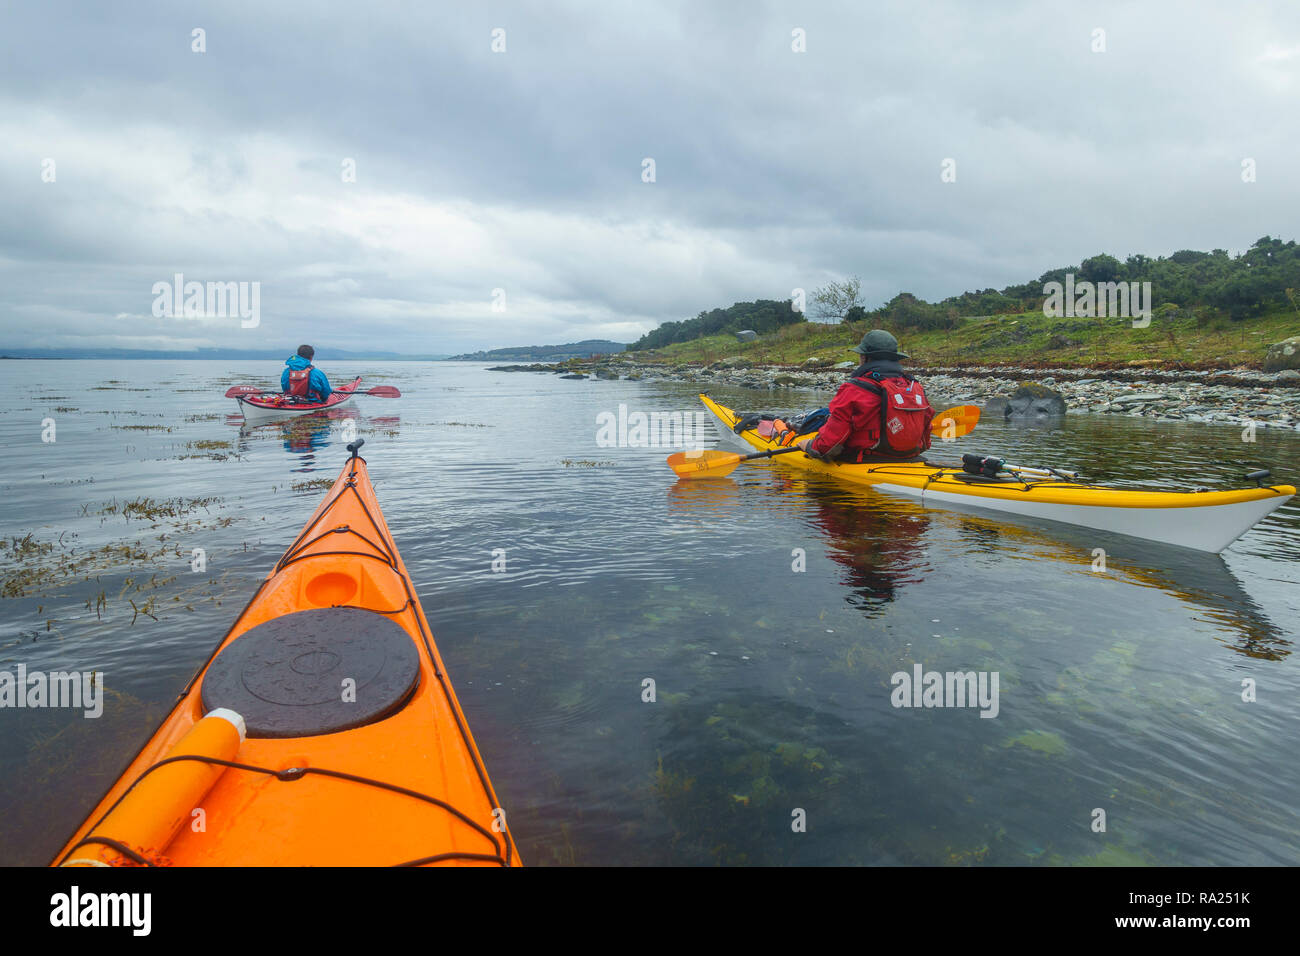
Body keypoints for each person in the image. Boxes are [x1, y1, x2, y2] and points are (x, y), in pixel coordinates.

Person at [798, 329, 933, 462]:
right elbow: (926, 438)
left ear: (864, 357)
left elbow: (828, 445)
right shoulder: (915, 387)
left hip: (866, 459)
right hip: (910, 458)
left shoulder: (854, 389)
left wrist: (809, 445)